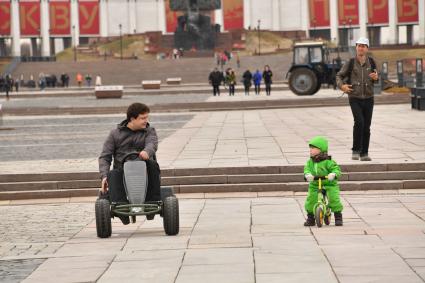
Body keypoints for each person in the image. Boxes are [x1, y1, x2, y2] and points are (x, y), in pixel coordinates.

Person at [99, 103, 161, 225]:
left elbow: (152, 144)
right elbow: (105, 156)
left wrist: (146, 152)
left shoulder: (149, 131)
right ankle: (121, 207)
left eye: (147, 118)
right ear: (132, 119)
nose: (146, 121)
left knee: (153, 166)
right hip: (122, 169)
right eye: (143, 118)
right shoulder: (115, 134)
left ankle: (152, 203)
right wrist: (104, 176)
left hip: (144, 168)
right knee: (113, 174)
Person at [336, 37, 379, 161]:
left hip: (369, 98)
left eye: (363, 46)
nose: (361, 48)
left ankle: (364, 153)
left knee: (367, 126)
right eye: (359, 45)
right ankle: (355, 150)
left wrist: (376, 77)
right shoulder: (350, 62)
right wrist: (342, 86)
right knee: (359, 122)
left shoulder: (372, 62)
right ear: (356, 47)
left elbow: (376, 78)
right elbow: (339, 75)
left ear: (367, 48)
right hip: (354, 97)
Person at [303, 136, 343, 226]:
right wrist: (307, 174)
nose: (310, 150)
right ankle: (310, 217)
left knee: (334, 198)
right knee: (311, 199)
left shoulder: (328, 161)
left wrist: (333, 174)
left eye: (313, 148)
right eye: (310, 148)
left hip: (329, 184)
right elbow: (307, 169)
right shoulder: (310, 162)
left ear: (320, 149)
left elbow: (336, 169)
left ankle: (338, 216)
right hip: (315, 184)